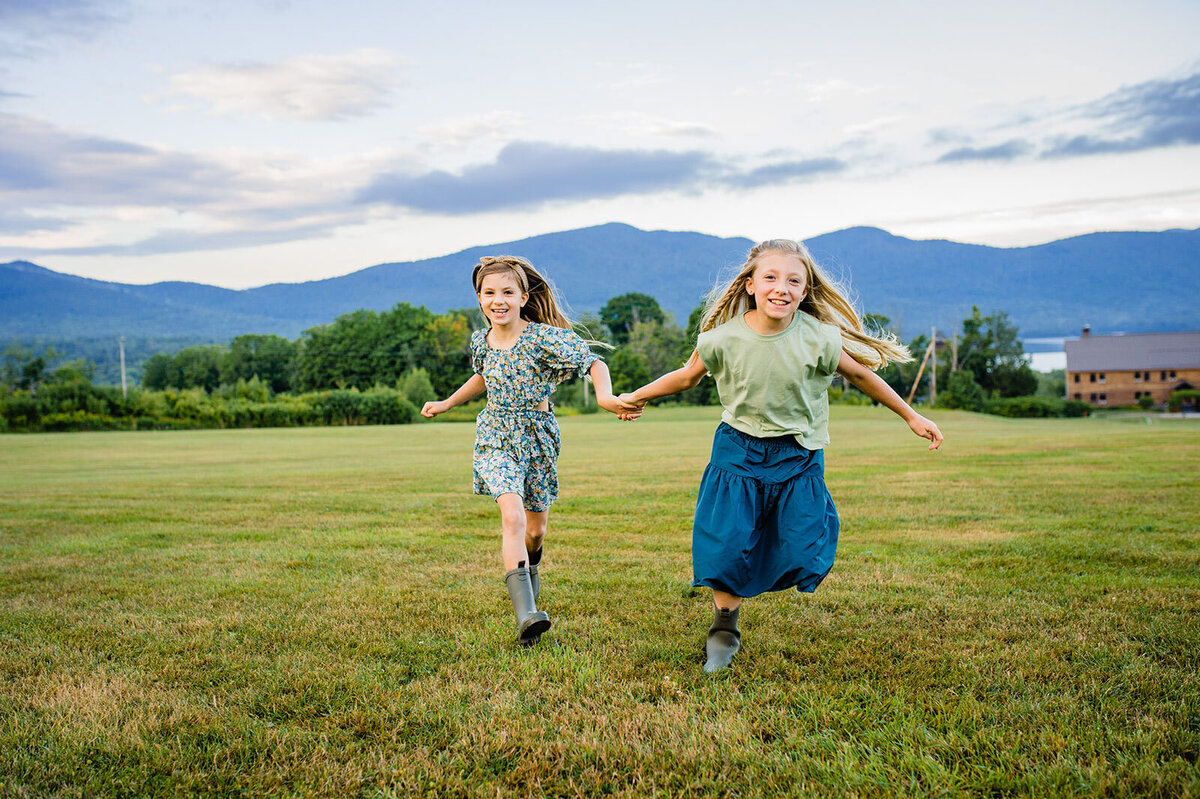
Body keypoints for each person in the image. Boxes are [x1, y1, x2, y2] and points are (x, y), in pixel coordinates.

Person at [618, 239, 943, 673]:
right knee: (728, 542)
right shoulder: (721, 339)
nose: (781, 288)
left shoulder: (819, 338)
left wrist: (910, 415)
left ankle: (757, 580)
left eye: (794, 280)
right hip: (738, 451)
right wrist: (636, 396)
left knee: (804, 545)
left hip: (799, 454)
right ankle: (724, 627)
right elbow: (686, 377)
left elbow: (862, 374)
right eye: (770, 277)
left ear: (805, 292)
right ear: (749, 285)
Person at [422, 255, 638, 645]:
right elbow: (482, 377)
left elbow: (592, 361)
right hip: (495, 434)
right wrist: (446, 403)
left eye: (507, 292)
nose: (497, 300)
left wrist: (605, 397)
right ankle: (527, 614)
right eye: (488, 292)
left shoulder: (541, 338)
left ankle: (531, 572)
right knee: (512, 513)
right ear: (479, 298)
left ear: (524, 296)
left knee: (535, 531)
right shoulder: (480, 341)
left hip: (537, 437)